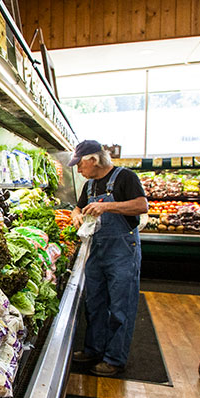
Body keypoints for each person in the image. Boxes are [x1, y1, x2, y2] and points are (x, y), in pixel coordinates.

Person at [69, 140, 148, 376]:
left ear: (93, 160)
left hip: (121, 250)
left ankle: (114, 359)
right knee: (95, 302)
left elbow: (141, 205)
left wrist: (107, 207)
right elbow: (77, 207)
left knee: (120, 305)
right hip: (98, 249)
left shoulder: (125, 177)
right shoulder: (90, 185)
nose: (78, 170)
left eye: (80, 164)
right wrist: (75, 215)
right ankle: (93, 349)